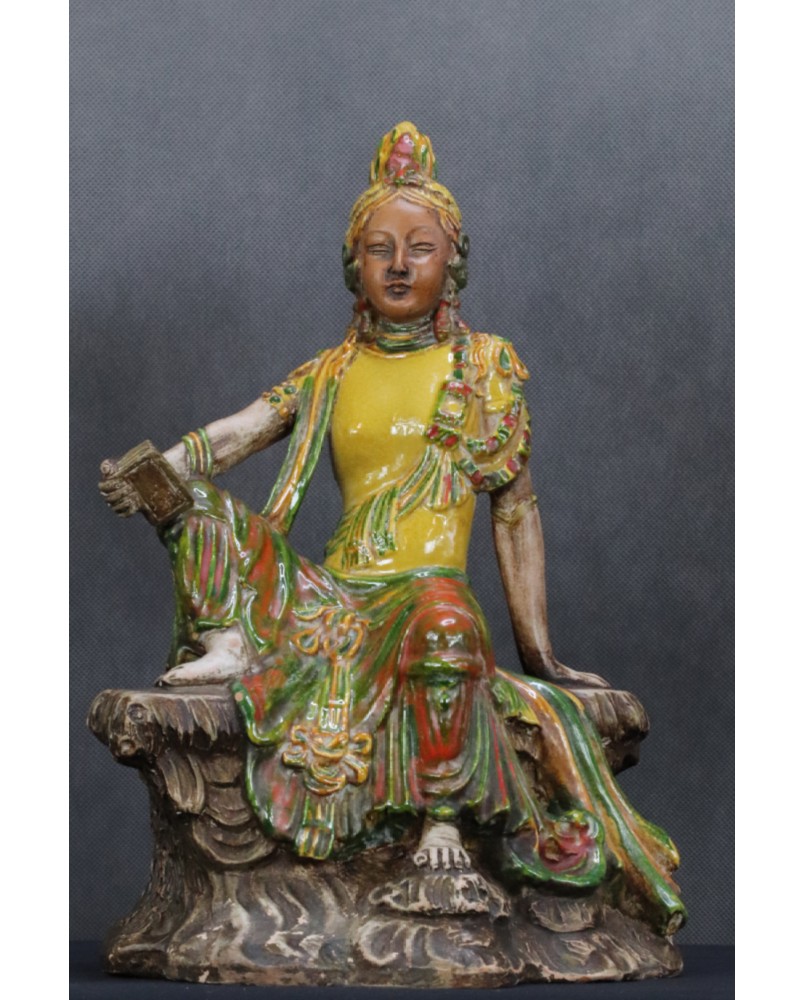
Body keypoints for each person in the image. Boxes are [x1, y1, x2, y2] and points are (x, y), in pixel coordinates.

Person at [100, 122, 685, 934]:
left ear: (452, 263)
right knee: (195, 504)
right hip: (332, 602)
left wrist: (538, 653)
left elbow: (515, 510)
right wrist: (154, 471)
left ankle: (440, 829)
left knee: (445, 629)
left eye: (419, 248)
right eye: (379, 249)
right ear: (356, 265)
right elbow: (235, 434)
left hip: (425, 593)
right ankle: (231, 641)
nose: (399, 265)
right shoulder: (331, 371)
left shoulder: (482, 368)